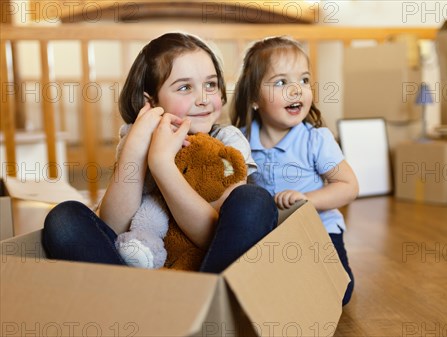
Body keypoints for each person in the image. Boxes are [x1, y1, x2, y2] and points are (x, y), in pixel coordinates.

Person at [42, 32, 278, 273]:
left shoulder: (228, 143)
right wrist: (136, 147)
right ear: (151, 102)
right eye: (185, 87)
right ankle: (126, 298)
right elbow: (113, 227)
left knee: (255, 199)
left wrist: (162, 164)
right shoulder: (135, 138)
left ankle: (205, 301)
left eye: (211, 84)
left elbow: (211, 236)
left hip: (204, 270)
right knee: (64, 218)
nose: (204, 98)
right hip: (141, 272)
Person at [230, 36, 359, 305]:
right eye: (281, 82)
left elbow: (348, 186)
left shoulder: (316, 139)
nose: (296, 90)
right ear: (254, 97)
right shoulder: (240, 142)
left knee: (339, 292)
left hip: (319, 230)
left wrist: (308, 200)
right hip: (271, 236)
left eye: (303, 80)